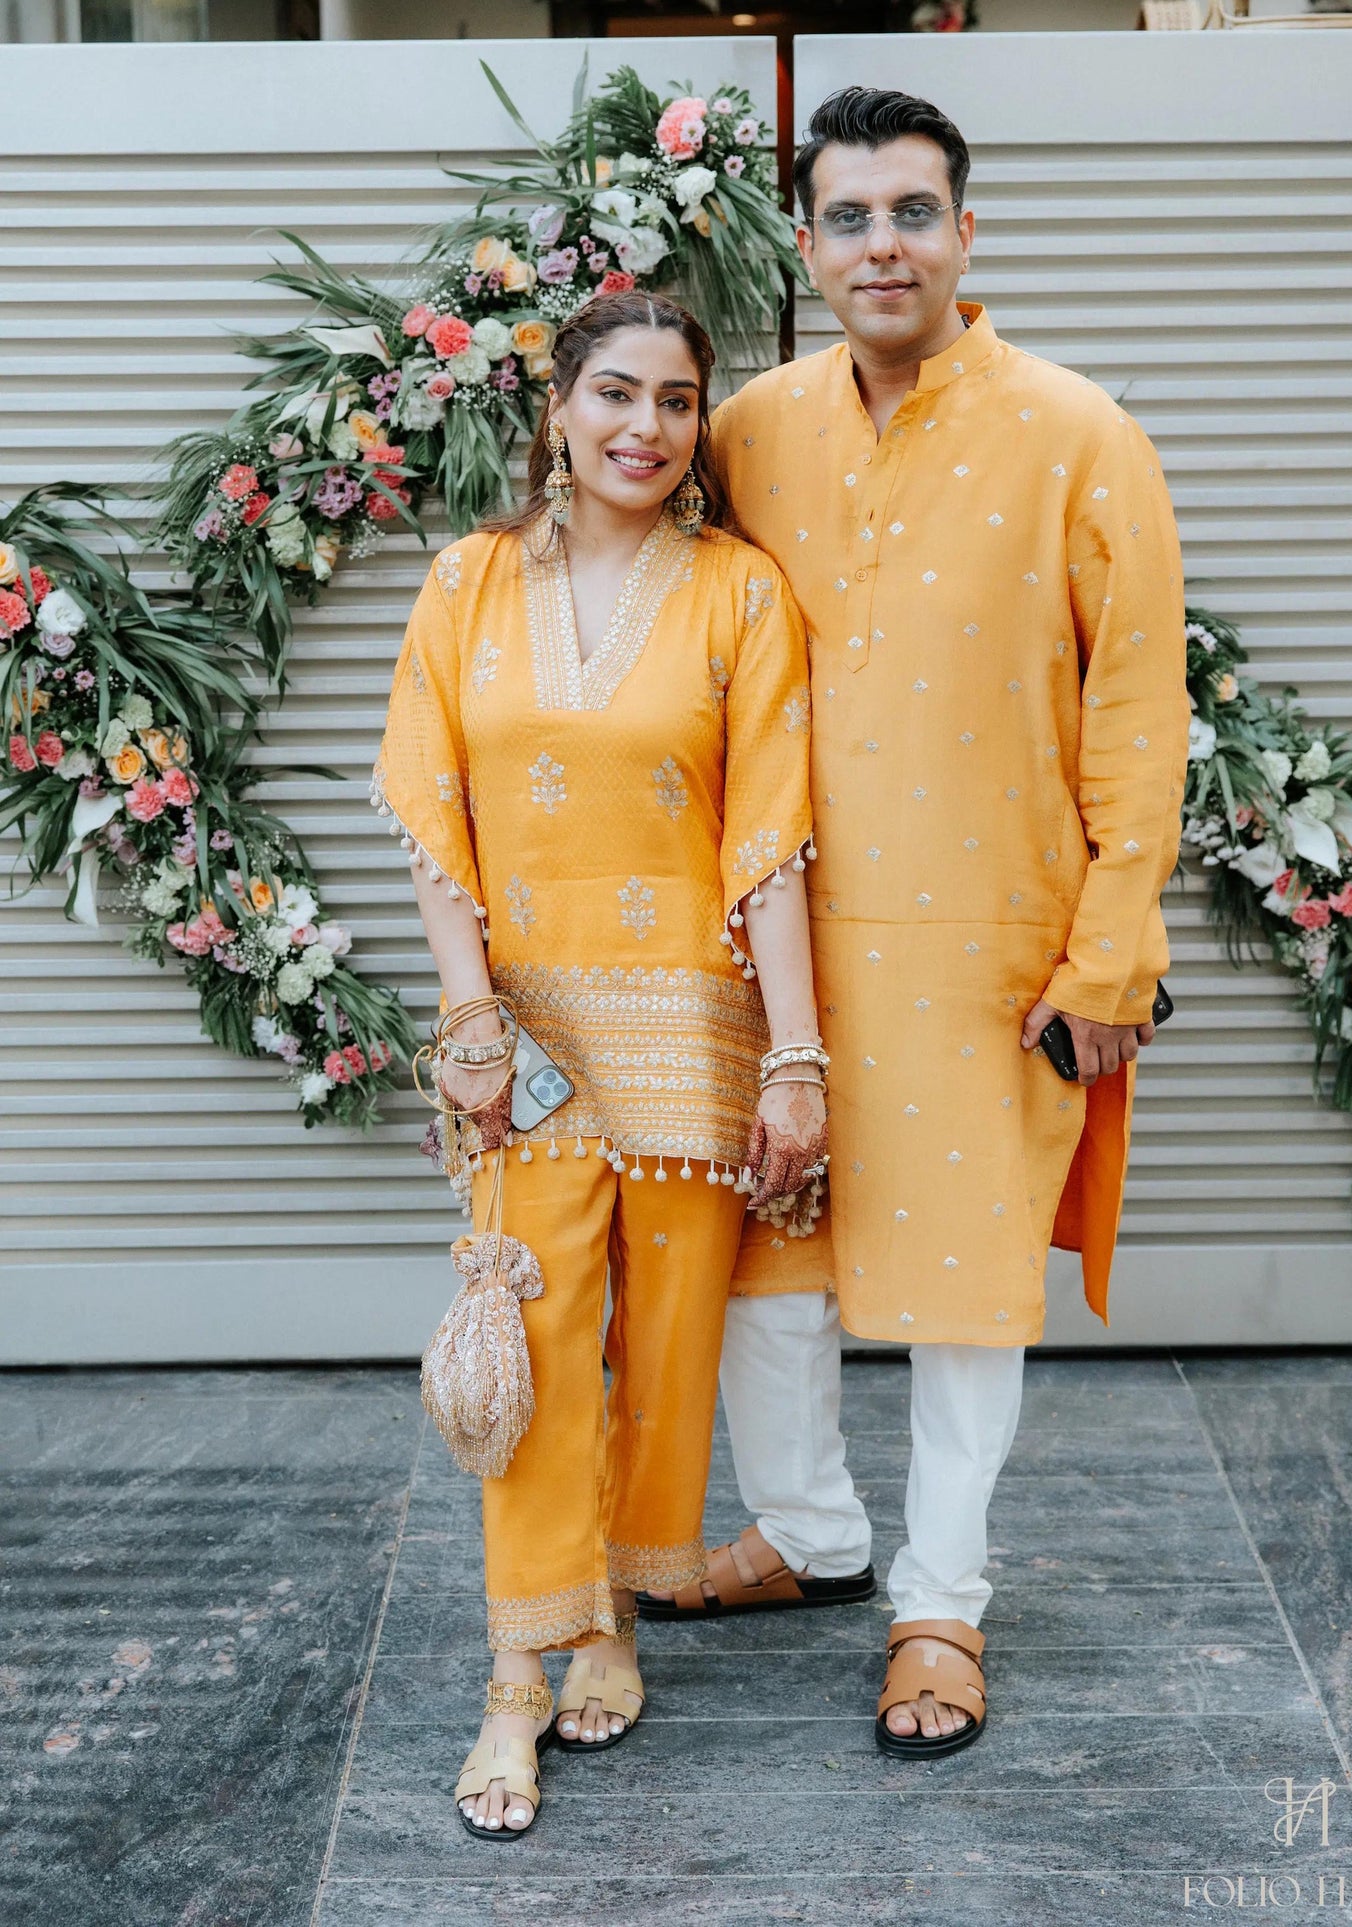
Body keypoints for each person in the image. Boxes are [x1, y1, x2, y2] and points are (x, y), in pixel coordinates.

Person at [639, 88, 1190, 1760]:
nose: (883, 244)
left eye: (913, 212)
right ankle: (806, 1534)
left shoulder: (1079, 434)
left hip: (985, 947)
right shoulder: (750, 433)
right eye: (850, 218)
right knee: (764, 1266)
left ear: (968, 231)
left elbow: (1138, 715)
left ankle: (940, 1599)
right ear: (805, 247)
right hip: (780, 946)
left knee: (962, 1293)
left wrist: (1108, 951)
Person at [371, 290, 828, 1834]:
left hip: (696, 1034)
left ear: (702, 427)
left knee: (668, 1346)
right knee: (536, 1351)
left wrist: (797, 1060)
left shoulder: (740, 596)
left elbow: (767, 843)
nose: (646, 427)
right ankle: (516, 1674)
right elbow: (438, 817)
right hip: (530, 1041)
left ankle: (614, 1613)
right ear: (556, 409)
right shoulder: (467, 581)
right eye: (616, 393)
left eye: (679, 400)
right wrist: (466, 1017)